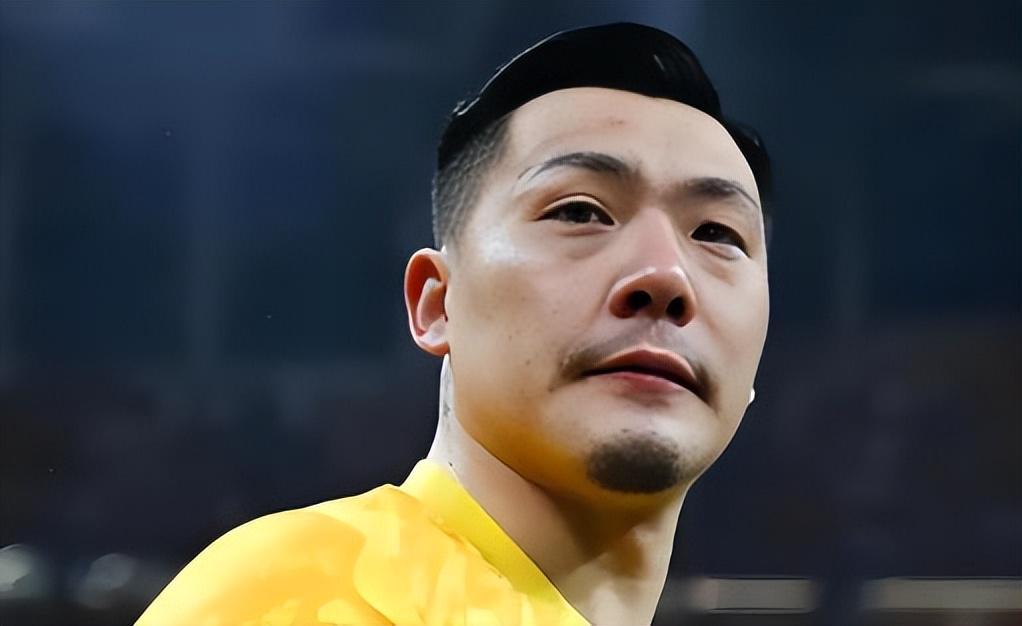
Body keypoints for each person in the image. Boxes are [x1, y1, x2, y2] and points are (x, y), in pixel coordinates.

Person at [137, 22, 771, 626]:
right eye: (580, 212)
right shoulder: (310, 596)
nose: (665, 276)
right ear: (438, 304)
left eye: (717, 234)